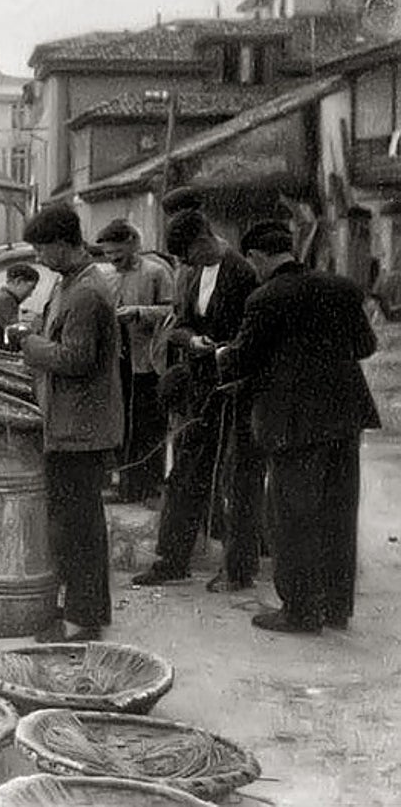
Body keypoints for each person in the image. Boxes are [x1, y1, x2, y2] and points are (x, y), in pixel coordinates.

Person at [216, 223, 380, 633]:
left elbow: (243, 361)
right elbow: (366, 347)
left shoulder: (265, 298)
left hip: (293, 422)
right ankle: (336, 607)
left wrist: (221, 354)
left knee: (291, 517)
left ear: (257, 257)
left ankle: (301, 611)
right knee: (338, 514)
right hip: (345, 417)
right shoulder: (341, 288)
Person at [131, 210, 262, 591]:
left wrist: (224, 351)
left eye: (193, 254)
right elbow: (179, 325)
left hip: (234, 389)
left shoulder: (243, 272)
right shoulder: (190, 272)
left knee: (236, 480)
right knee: (185, 474)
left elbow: (253, 334)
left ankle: (239, 569)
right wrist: (192, 341)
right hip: (200, 388)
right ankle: (171, 560)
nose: (190, 264)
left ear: (206, 238)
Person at [18, 204, 123, 643]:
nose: (39, 257)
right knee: (78, 523)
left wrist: (30, 345)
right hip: (72, 422)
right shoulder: (72, 282)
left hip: (79, 428)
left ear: (64, 243)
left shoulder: (84, 293)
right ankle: (83, 608)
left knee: (77, 527)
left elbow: (76, 359)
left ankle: (82, 622)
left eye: (43, 248)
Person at [95, 219, 175, 504]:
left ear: (132, 243)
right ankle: (125, 484)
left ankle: (150, 485)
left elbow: (172, 311)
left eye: (118, 254)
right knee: (121, 424)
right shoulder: (104, 276)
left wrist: (140, 313)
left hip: (148, 361)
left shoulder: (156, 272)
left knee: (148, 424)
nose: (113, 261)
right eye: (108, 256)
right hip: (117, 362)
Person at [0, 263, 40, 350]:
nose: (30, 294)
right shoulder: (5, 299)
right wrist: (35, 327)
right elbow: (16, 332)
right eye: (30, 288)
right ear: (18, 281)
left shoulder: (5, 296)